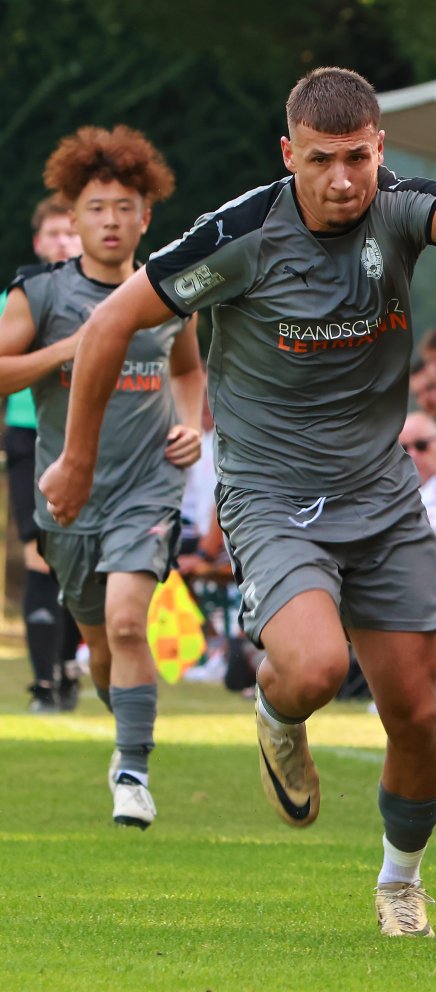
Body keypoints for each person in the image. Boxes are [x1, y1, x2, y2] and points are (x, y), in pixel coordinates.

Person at [40, 67, 436, 937]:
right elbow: (107, 326)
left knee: (417, 716)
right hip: (273, 494)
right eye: (321, 160)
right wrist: (75, 457)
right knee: (318, 667)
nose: (342, 180)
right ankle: (277, 712)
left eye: (358, 158)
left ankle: (400, 882)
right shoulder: (241, 235)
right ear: (289, 154)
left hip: (384, 496)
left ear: (379, 150)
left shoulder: (396, 210)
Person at [0, 125, 204, 828]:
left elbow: (188, 368)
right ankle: (127, 731)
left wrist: (190, 423)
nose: (112, 221)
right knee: (100, 644)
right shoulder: (39, 292)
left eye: (126, 207)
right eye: (96, 208)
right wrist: (71, 349)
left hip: (149, 484)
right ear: (71, 216)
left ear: (147, 216)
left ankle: (131, 771)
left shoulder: (173, 292)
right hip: (68, 491)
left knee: (126, 621)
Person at [3, 194, 84, 712]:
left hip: (91, 434)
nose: (61, 241)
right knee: (41, 555)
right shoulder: (19, 297)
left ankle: (69, 662)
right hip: (30, 437)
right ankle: (44, 685)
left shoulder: (109, 296)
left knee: (79, 557)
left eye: (68, 234)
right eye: (53, 233)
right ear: (38, 241)